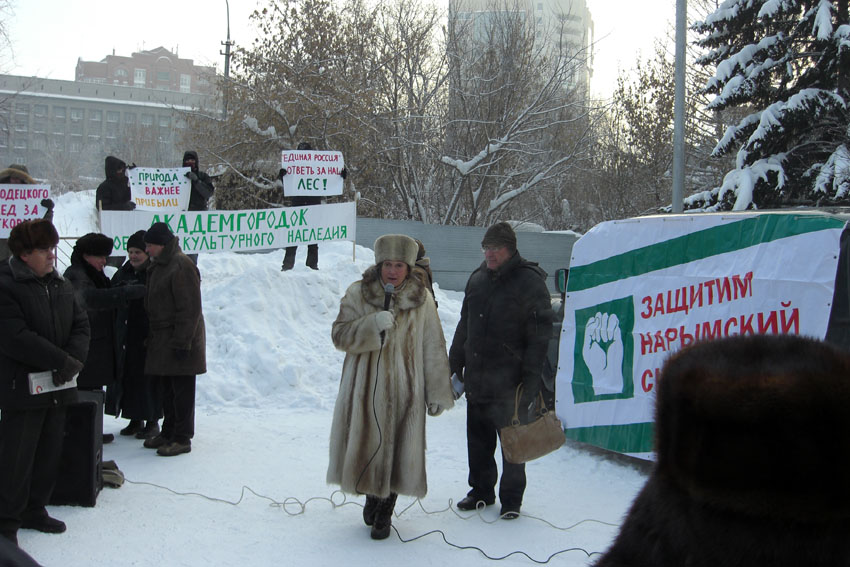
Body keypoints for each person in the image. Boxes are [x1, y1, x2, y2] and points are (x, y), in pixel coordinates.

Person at [327, 234, 455, 540]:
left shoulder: (421, 300)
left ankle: (386, 508)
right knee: (371, 446)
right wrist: (370, 326)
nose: (393, 271)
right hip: (364, 391)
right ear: (379, 265)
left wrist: (437, 393)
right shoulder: (358, 293)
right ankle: (373, 496)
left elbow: (433, 346)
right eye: (388, 264)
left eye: (399, 265)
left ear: (409, 268)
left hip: (405, 392)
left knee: (398, 448)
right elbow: (339, 335)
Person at [449, 221, 553, 520]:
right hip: (479, 378)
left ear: (511, 249)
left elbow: (539, 339)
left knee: (513, 444)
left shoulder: (530, 282)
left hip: (512, 382)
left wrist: (532, 384)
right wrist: (455, 362)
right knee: (478, 441)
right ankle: (481, 491)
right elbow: (464, 325)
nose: (489, 254)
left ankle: (511, 499)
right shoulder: (478, 278)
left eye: (496, 248)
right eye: (486, 248)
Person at [0, 219, 90, 546]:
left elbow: (81, 325)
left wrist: (72, 361)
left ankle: (35, 509)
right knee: (16, 457)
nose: (53, 255)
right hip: (21, 388)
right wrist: (61, 361)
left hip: (58, 385)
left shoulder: (60, 283)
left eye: (53, 248)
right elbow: (16, 337)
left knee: (48, 451)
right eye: (44, 250)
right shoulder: (6, 285)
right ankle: (7, 521)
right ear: (24, 254)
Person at [64, 233, 145, 444]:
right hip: (86, 345)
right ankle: (84, 435)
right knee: (85, 391)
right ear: (86, 256)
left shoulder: (91, 272)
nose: (104, 262)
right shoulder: (76, 274)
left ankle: (91, 432)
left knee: (94, 390)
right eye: (100, 257)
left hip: (97, 343)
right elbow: (91, 298)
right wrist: (125, 293)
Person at [141, 222, 206, 457]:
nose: (147, 250)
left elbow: (189, 309)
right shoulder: (161, 264)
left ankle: (182, 437)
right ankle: (168, 431)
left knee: (182, 391)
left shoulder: (181, 265)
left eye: (150, 245)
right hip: (164, 339)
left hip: (180, 339)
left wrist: (182, 342)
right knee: (167, 390)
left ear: (161, 244)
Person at [110, 230, 162, 440]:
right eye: (130, 251)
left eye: (138, 252)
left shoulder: (154, 273)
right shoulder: (123, 273)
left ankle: (152, 420)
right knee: (129, 378)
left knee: (148, 381)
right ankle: (134, 418)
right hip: (126, 334)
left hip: (148, 334)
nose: (133, 256)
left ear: (147, 253)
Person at [279, 142, 346, 271]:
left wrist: (340, 175)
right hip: (298, 206)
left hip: (313, 206)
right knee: (293, 237)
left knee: (313, 238)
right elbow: (289, 185)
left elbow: (331, 179)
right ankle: (287, 266)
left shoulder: (318, 168)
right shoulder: (293, 167)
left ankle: (312, 266)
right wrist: (283, 176)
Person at [0, 164, 55, 261]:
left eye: (20, 178)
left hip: (25, 257)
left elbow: (44, 230)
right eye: (13, 178)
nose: (16, 181)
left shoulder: (34, 201)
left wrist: (47, 211)